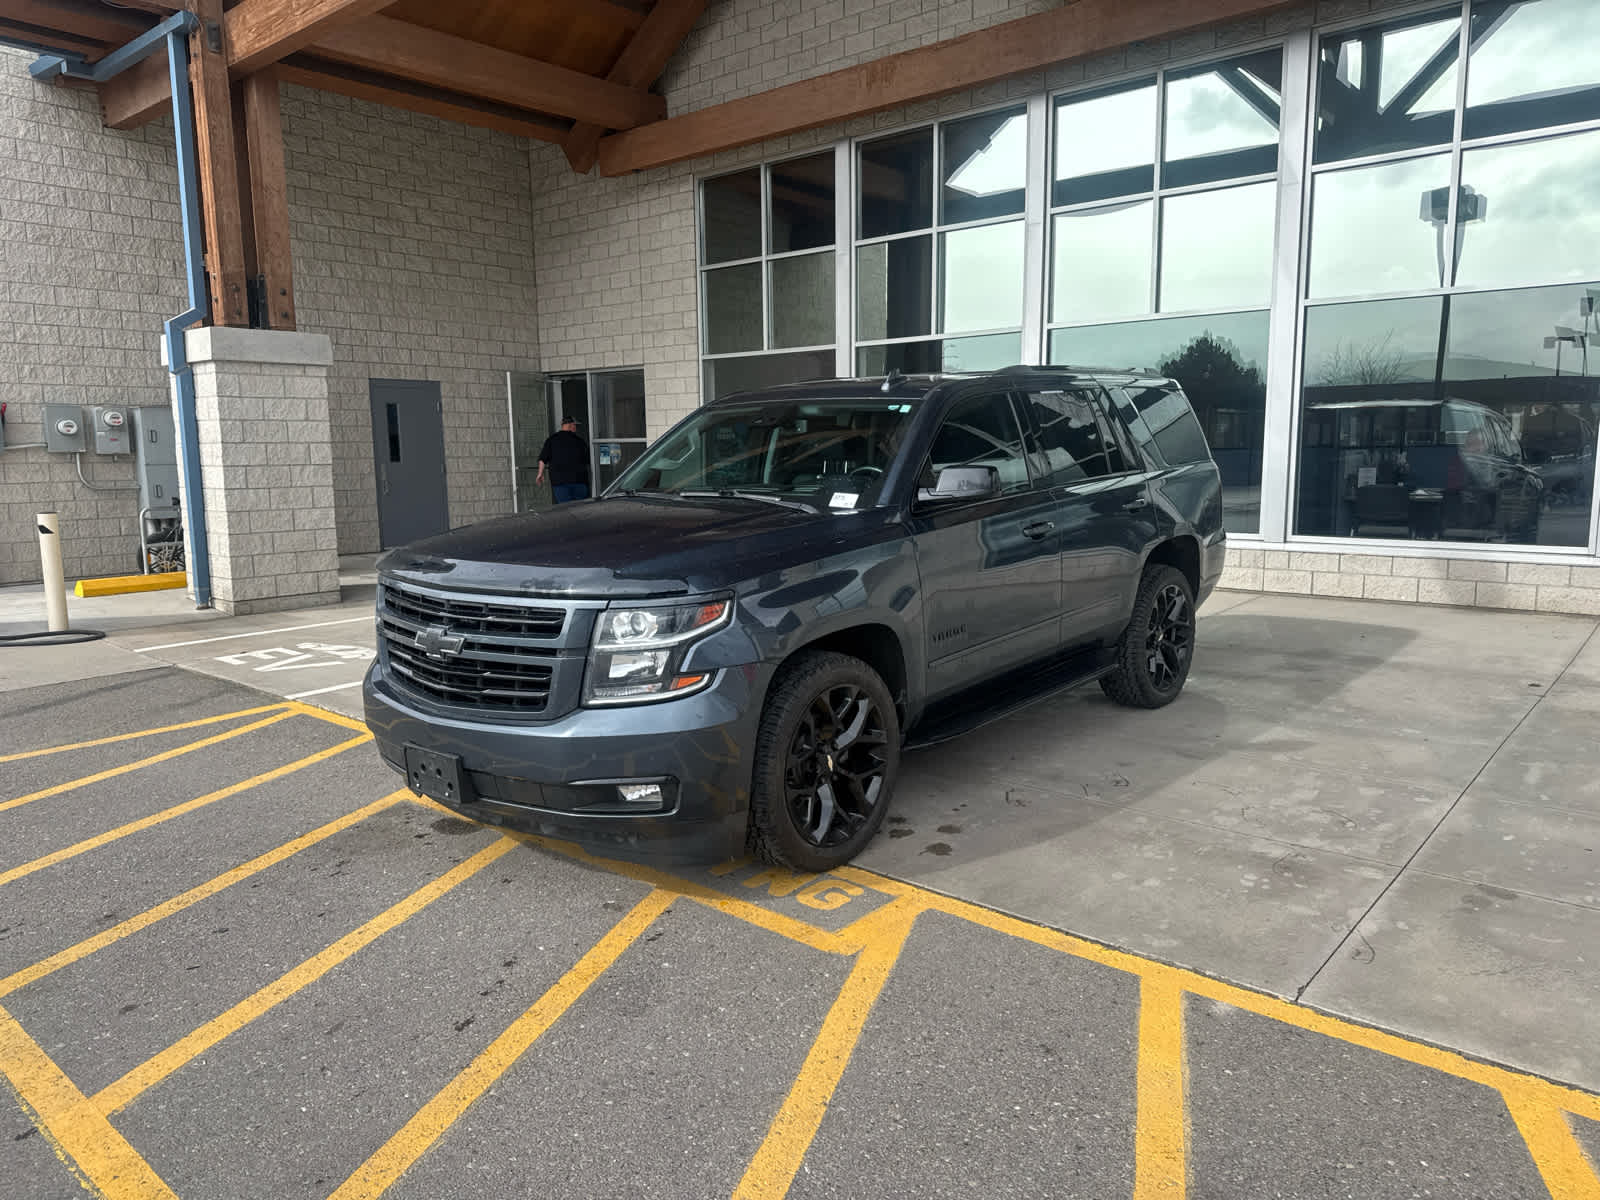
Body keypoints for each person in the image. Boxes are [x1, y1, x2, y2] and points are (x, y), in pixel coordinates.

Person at [537, 416, 591, 504]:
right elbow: (588, 460)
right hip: (579, 482)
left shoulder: (551, 440)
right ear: (570, 425)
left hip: (559, 482)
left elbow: (543, 458)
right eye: (575, 426)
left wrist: (540, 473)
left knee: (566, 510)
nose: (576, 428)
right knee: (581, 510)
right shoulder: (580, 441)